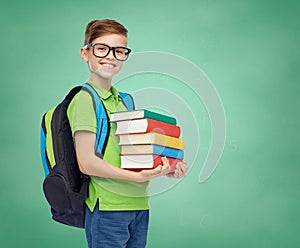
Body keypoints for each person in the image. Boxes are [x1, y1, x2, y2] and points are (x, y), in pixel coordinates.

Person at [67, 19, 188, 248]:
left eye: (119, 50)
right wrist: (137, 177)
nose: (111, 56)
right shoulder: (85, 100)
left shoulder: (125, 101)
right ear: (85, 53)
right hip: (109, 207)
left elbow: (131, 155)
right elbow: (86, 163)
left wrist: (167, 168)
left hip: (139, 204)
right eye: (102, 48)